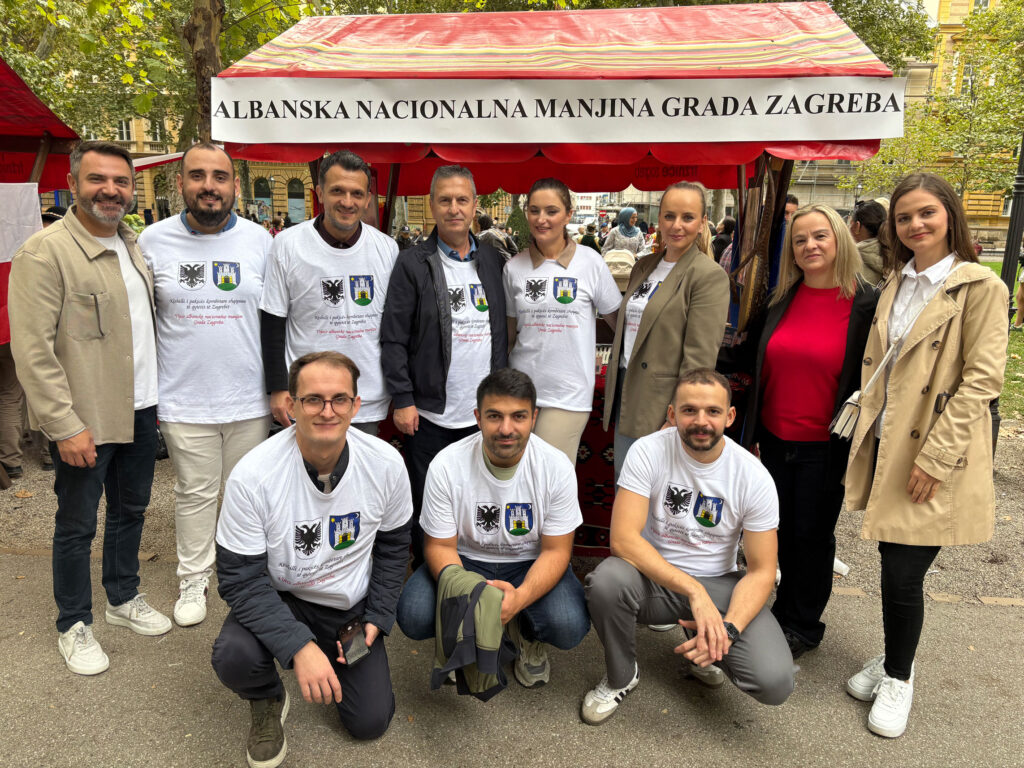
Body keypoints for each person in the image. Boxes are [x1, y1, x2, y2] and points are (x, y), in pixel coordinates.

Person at [843, 172, 1008, 738]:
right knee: (891, 557)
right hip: (891, 440)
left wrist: (935, 459)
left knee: (903, 571)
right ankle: (895, 655)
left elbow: (982, 382)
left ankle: (899, 676)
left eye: (926, 213)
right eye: (904, 217)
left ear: (950, 215)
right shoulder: (898, 280)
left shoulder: (979, 287)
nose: (915, 224)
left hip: (936, 450)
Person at [9, 140, 171, 676]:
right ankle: (74, 623)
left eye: (121, 181)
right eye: (98, 179)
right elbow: (32, 351)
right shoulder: (45, 253)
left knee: (131, 511)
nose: (111, 190)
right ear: (74, 184)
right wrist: (64, 425)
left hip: (140, 408)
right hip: (86, 418)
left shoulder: (131, 244)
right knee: (77, 525)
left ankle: (122, 598)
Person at [211, 352, 412, 766]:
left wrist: (378, 616)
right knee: (233, 655)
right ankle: (267, 696)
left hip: (348, 607)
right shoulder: (253, 476)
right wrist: (298, 646)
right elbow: (239, 579)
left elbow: (394, 548)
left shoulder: (387, 464)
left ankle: (330, 649)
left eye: (339, 399)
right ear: (291, 405)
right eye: (313, 399)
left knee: (370, 722)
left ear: (356, 405)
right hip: (282, 596)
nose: (327, 410)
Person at [582, 369, 792, 725]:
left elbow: (762, 571)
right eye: (689, 410)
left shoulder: (753, 475)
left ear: (730, 416)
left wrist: (728, 630)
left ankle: (708, 644)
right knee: (606, 582)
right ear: (672, 413)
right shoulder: (648, 451)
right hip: (653, 577)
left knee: (774, 681)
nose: (701, 421)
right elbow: (623, 540)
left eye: (713, 411)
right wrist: (694, 591)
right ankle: (622, 676)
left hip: (720, 581)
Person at [725, 204, 878, 658]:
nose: (810, 245)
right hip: (772, 439)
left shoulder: (867, 305)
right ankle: (775, 611)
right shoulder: (780, 300)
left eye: (819, 236)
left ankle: (801, 625)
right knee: (773, 531)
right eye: (800, 240)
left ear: (840, 240)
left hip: (825, 446)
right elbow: (749, 359)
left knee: (810, 538)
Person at [138, 143, 273, 627]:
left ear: (235, 185)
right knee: (194, 493)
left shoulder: (261, 241)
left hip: (249, 397)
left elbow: (277, 318)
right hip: (184, 397)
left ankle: (246, 574)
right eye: (197, 175)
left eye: (219, 176)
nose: (209, 186)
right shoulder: (152, 241)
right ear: (181, 184)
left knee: (245, 493)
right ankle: (193, 577)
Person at [396, 368, 588, 688]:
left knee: (568, 624)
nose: (506, 428)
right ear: (478, 417)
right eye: (495, 416)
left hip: (529, 563)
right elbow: (439, 546)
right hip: (466, 561)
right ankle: (462, 637)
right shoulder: (446, 464)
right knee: (414, 614)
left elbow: (557, 552)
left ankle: (525, 634)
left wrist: (520, 598)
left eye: (519, 416)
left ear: (534, 417)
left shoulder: (556, 467)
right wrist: (470, 596)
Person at [381, 165, 508, 568]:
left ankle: (473, 568)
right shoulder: (412, 263)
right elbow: (394, 336)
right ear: (432, 205)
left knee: (478, 498)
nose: (454, 208)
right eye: (445, 200)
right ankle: (431, 574)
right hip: (431, 414)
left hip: (483, 412)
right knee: (429, 501)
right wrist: (403, 398)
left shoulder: (493, 260)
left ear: (475, 205)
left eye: (462, 200)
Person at [260, 150, 398, 436]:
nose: (347, 202)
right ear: (320, 193)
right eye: (337, 191)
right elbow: (273, 322)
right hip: (308, 398)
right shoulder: (287, 245)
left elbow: (396, 326)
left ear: (368, 199)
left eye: (357, 193)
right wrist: (277, 387)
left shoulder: (387, 248)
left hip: (366, 397)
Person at [603, 181, 731, 478]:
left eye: (688, 217)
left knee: (654, 487)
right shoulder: (644, 265)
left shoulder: (707, 275)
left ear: (702, 223)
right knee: (628, 480)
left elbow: (699, 357)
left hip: (663, 402)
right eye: (669, 216)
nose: (677, 225)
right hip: (626, 389)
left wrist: (680, 412)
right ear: (659, 219)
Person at [504, 178, 621, 464]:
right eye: (534, 210)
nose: (541, 219)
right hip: (519, 392)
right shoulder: (513, 267)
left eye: (551, 211)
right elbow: (509, 335)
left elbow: (619, 323)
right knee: (517, 477)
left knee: (549, 476)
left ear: (568, 214)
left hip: (568, 393)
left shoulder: (590, 262)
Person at [849, 200, 888, 285]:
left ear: (857, 226)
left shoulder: (848, 261)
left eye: (850, 223)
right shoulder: (895, 256)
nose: (849, 229)